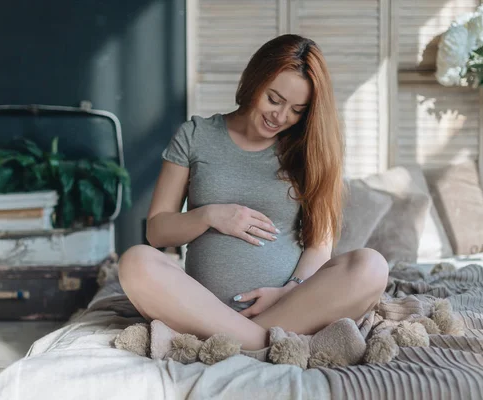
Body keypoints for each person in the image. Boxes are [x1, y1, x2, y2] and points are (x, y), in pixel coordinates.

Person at [118, 34, 389, 352]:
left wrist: (289, 291)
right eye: (274, 99)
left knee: (371, 266)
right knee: (135, 262)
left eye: (297, 110)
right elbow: (158, 232)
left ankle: (233, 343)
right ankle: (263, 344)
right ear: (255, 80)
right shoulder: (196, 136)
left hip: (287, 309)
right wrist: (210, 215)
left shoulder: (308, 152)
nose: (280, 116)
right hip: (199, 309)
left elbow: (319, 245)